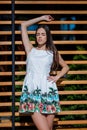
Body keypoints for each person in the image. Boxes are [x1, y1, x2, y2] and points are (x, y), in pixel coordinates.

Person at [19, 15, 69, 130]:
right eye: (37, 34)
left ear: (47, 36)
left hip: (48, 92)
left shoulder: (52, 52)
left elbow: (66, 67)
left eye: (43, 34)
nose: (40, 37)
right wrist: (42, 18)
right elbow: (23, 25)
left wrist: (57, 78)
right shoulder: (30, 49)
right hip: (32, 93)